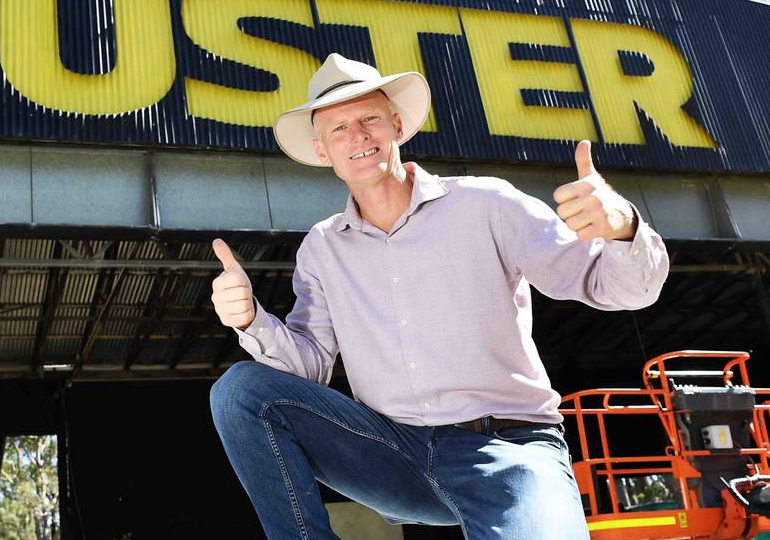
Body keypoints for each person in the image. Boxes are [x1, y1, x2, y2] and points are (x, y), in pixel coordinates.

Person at [208, 53, 668, 539]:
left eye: (370, 119)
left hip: (507, 447)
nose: (358, 135)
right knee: (241, 391)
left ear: (398, 126)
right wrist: (250, 321)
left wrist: (623, 230)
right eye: (339, 128)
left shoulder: (488, 204)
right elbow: (310, 369)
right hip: (392, 454)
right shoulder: (322, 247)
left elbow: (619, 288)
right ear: (323, 151)